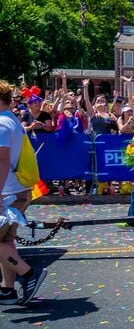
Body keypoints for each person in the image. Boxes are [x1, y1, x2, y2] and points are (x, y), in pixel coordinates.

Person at [0, 80, 48, 306]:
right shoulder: (12, 120)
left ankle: (29, 274)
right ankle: (7, 289)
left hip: (8, 191)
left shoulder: (1, 123)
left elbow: (2, 160)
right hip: (17, 189)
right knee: (6, 240)